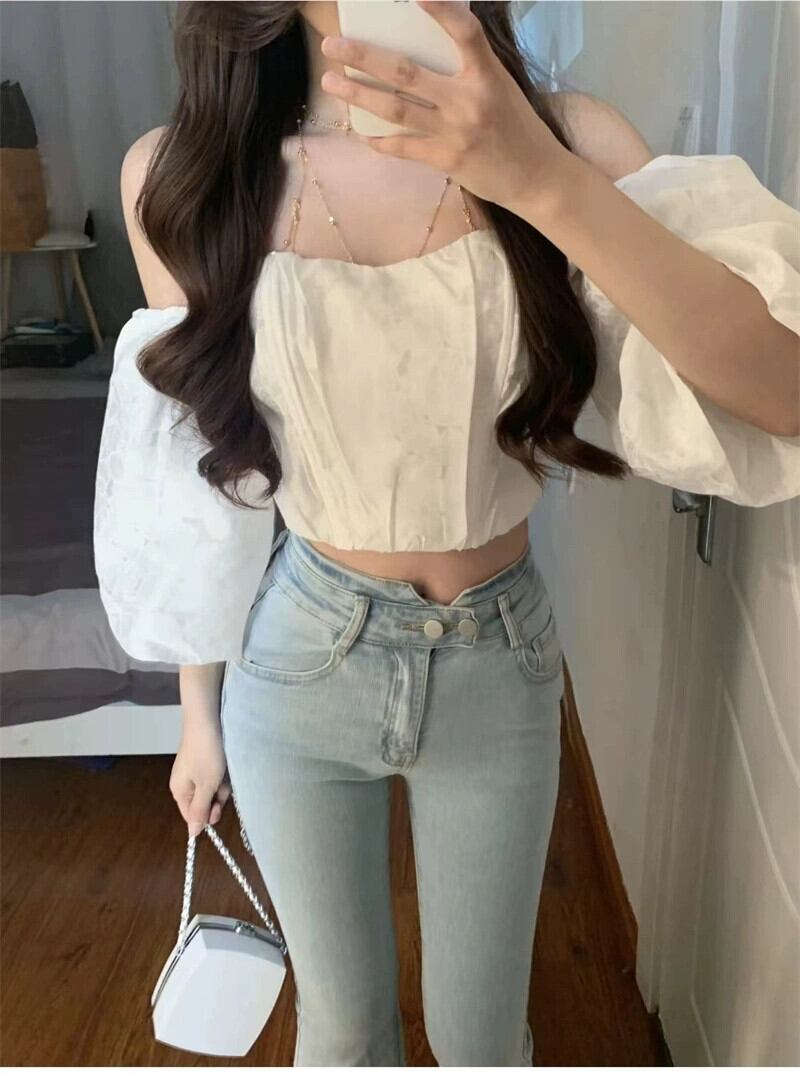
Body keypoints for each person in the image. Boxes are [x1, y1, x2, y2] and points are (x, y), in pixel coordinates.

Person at [94, 1, 800, 1065]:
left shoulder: (568, 140)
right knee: (341, 1034)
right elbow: (210, 481)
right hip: (300, 657)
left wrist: (539, 177)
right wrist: (199, 715)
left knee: (483, 1041)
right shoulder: (186, 176)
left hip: (495, 661)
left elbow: (780, 389)